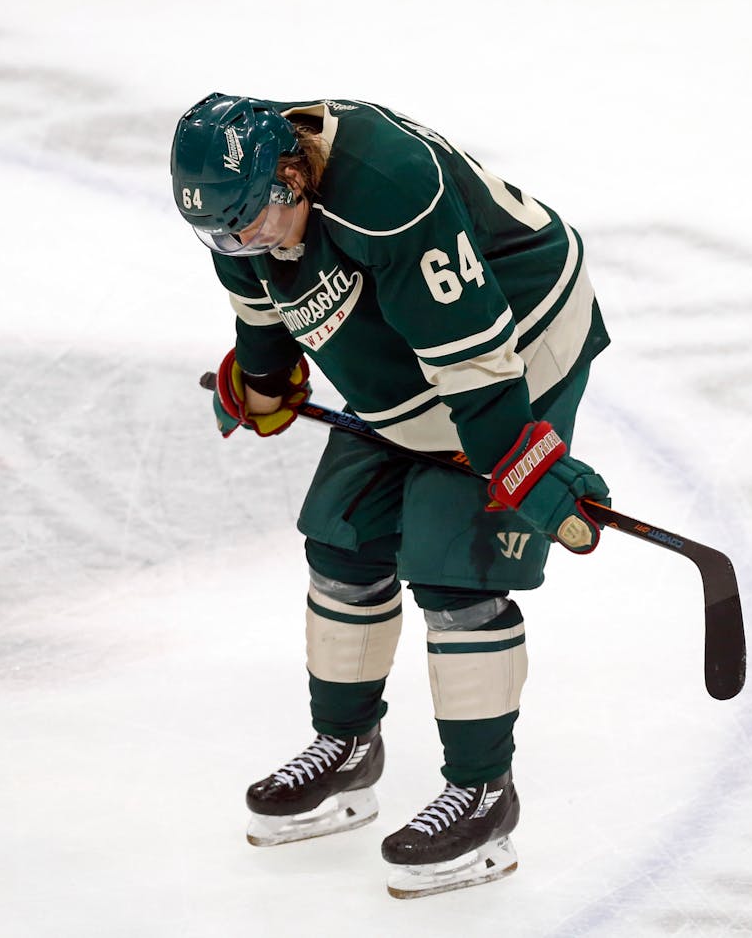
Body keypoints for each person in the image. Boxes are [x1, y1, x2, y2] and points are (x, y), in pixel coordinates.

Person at [171, 94, 613, 898]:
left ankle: (484, 794)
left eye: (255, 222)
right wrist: (263, 380)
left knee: (456, 567)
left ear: (294, 171)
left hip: (517, 340)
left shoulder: (389, 188)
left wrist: (524, 466)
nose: (245, 243)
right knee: (342, 541)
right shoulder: (238, 205)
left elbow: (476, 366)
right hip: (408, 348)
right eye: (223, 234)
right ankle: (345, 752)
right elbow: (263, 308)